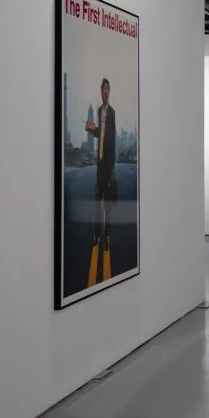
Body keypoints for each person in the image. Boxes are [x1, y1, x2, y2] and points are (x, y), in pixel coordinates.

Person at [84, 78, 117, 286]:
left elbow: (112, 137)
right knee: (98, 201)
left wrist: (112, 167)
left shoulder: (111, 113)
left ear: (109, 93)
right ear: (101, 92)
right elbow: (102, 135)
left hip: (108, 165)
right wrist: (92, 130)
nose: (105, 92)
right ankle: (97, 235)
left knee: (108, 203)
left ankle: (107, 237)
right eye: (103, 89)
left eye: (107, 89)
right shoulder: (98, 111)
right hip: (99, 163)